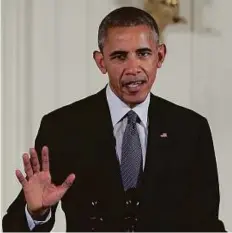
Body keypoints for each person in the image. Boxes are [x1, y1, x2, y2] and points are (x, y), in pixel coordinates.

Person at [2, 6, 226, 232]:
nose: (133, 68)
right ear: (101, 62)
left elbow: (206, 224)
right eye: (119, 56)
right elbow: (13, 225)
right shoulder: (63, 127)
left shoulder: (191, 129)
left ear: (159, 56)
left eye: (143, 54)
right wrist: (36, 213)